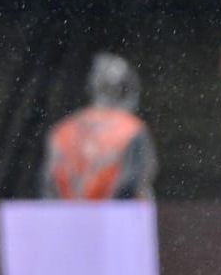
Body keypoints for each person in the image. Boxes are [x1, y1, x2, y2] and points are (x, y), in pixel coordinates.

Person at [38, 52, 158, 200]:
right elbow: (132, 185)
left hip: (67, 218)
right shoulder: (131, 130)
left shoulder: (62, 131)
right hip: (115, 220)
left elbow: (48, 186)